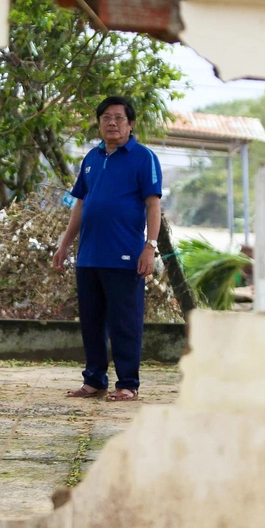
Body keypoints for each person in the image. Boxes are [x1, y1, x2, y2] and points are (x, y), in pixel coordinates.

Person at [52, 96, 162, 402]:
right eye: (106, 118)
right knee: (91, 321)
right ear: (99, 123)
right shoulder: (91, 158)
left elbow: (153, 206)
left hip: (125, 256)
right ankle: (94, 380)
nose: (112, 123)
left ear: (131, 124)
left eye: (118, 118)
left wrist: (149, 247)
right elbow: (80, 205)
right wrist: (64, 246)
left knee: (125, 322)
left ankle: (128, 384)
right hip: (89, 256)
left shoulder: (144, 157)